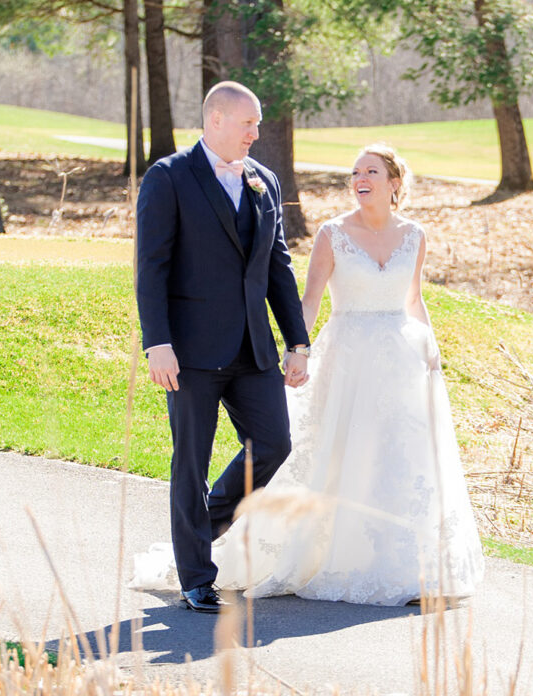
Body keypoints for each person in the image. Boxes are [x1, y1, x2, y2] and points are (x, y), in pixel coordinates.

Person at [131, 144, 484, 606]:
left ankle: (401, 569)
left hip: (400, 362)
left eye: (371, 171)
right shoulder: (332, 233)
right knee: (334, 454)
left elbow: (413, 299)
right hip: (347, 357)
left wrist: (430, 349)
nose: (360, 177)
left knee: (398, 461)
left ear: (394, 182)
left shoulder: (415, 235)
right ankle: (223, 545)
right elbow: (309, 297)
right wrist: (299, 346)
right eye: (355, 171)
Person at [135, 81, 312, 613]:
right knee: (189, 459)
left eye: (257, 124)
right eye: (248, 124)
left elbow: (277, 266)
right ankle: (195, 577)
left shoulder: (265, 182)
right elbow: (151, 268)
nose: (257, 134)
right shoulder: (168, 177)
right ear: (215, 120)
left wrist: (297, 340)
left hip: (252, 348)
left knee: (274, 442)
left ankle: (201, 526)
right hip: (188, 350)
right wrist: (157, 343)